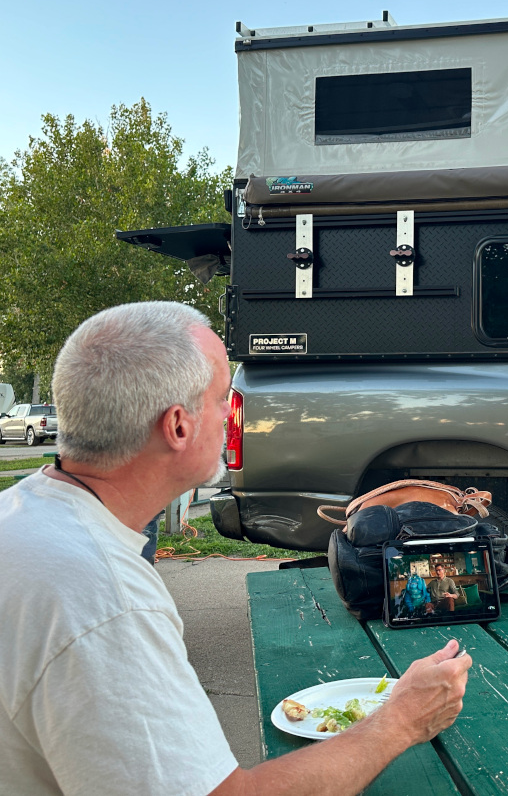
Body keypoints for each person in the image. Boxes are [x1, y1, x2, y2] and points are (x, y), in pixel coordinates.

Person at [0, 301, 472, 796]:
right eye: (223, 396)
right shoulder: (105, 599)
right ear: (178, 426)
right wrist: (402, 721)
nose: (231, 413)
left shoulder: (26, 517)